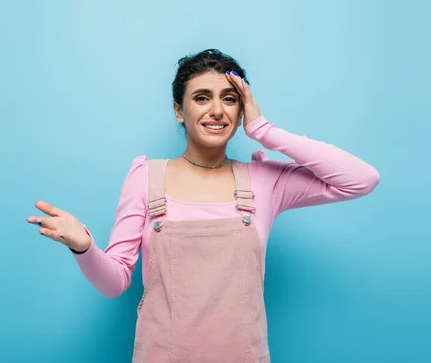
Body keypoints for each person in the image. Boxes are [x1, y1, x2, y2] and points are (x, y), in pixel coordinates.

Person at [27, 49, 380, 362]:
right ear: (179, 111)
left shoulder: (265, 181)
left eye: (229, 99)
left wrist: (265, 130)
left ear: (242, 110)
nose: (216, 110)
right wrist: (85, 248)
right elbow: (115, 283)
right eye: (201, 97)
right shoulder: (146, 177)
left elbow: (361, 179)